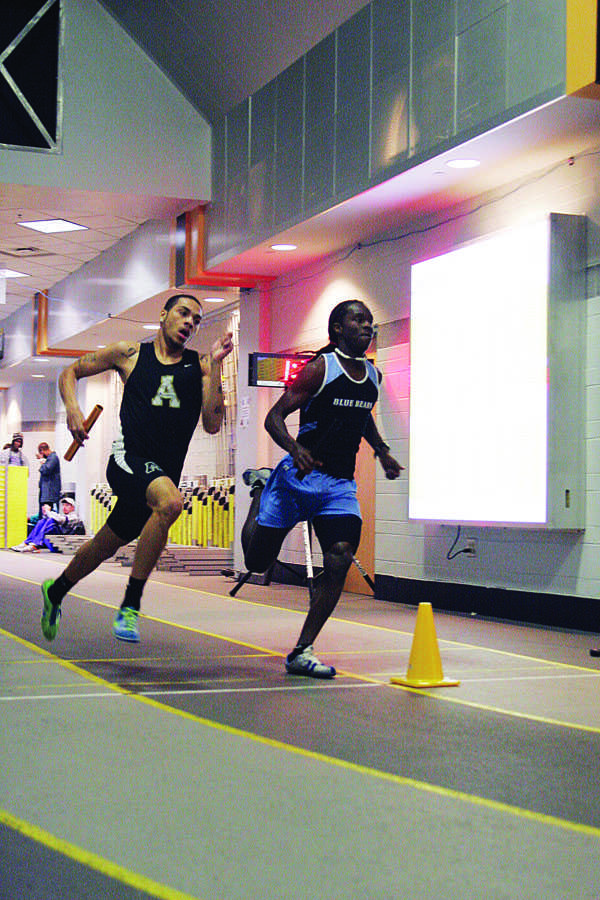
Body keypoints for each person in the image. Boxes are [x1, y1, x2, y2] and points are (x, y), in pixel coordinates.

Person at [40, 292, 233, 642]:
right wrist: (72, 408)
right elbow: (71, 371)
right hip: (127, 461)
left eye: (197, 319)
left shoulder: (202, 366)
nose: (190, 322)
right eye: (184, 313)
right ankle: (130, 605)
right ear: (163, 315)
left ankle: (55, 591)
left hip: (161, 475)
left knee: (104, 545)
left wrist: (218, 365)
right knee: (172, 503)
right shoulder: (129, 354)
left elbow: (213, 424)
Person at [241, 299, 403, 679]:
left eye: (370, 321)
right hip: (297, 479)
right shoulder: (319, 369)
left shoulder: (374, 376)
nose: (367, 326)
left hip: (338, 485)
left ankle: (302, 649)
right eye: (358, 320)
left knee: (341, 554)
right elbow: (273, 417)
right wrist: (295, 449)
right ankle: (259, 491)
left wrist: (382, 452)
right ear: (337, 330)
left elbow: (361, 419)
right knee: (257, 563)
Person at [12, 495, 82, 552]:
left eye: (67, 505)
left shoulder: (74, 517)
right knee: (42, 521)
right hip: (54, 542)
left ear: (73, 507)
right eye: (63, 505)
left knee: (51, 521)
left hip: (62, 545)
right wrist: (46, 513)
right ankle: (26, 543)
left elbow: (60, 520)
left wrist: (48, 511)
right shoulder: (62, 515)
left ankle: (35, 545)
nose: (64, 507)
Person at [36, 442, 61, 515]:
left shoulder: (53, 457)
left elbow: (45, 470)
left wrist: (41, 460)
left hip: (50, 494)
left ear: (42, 451)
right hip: (47, 493)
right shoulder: (50, 458)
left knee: (48, 515)